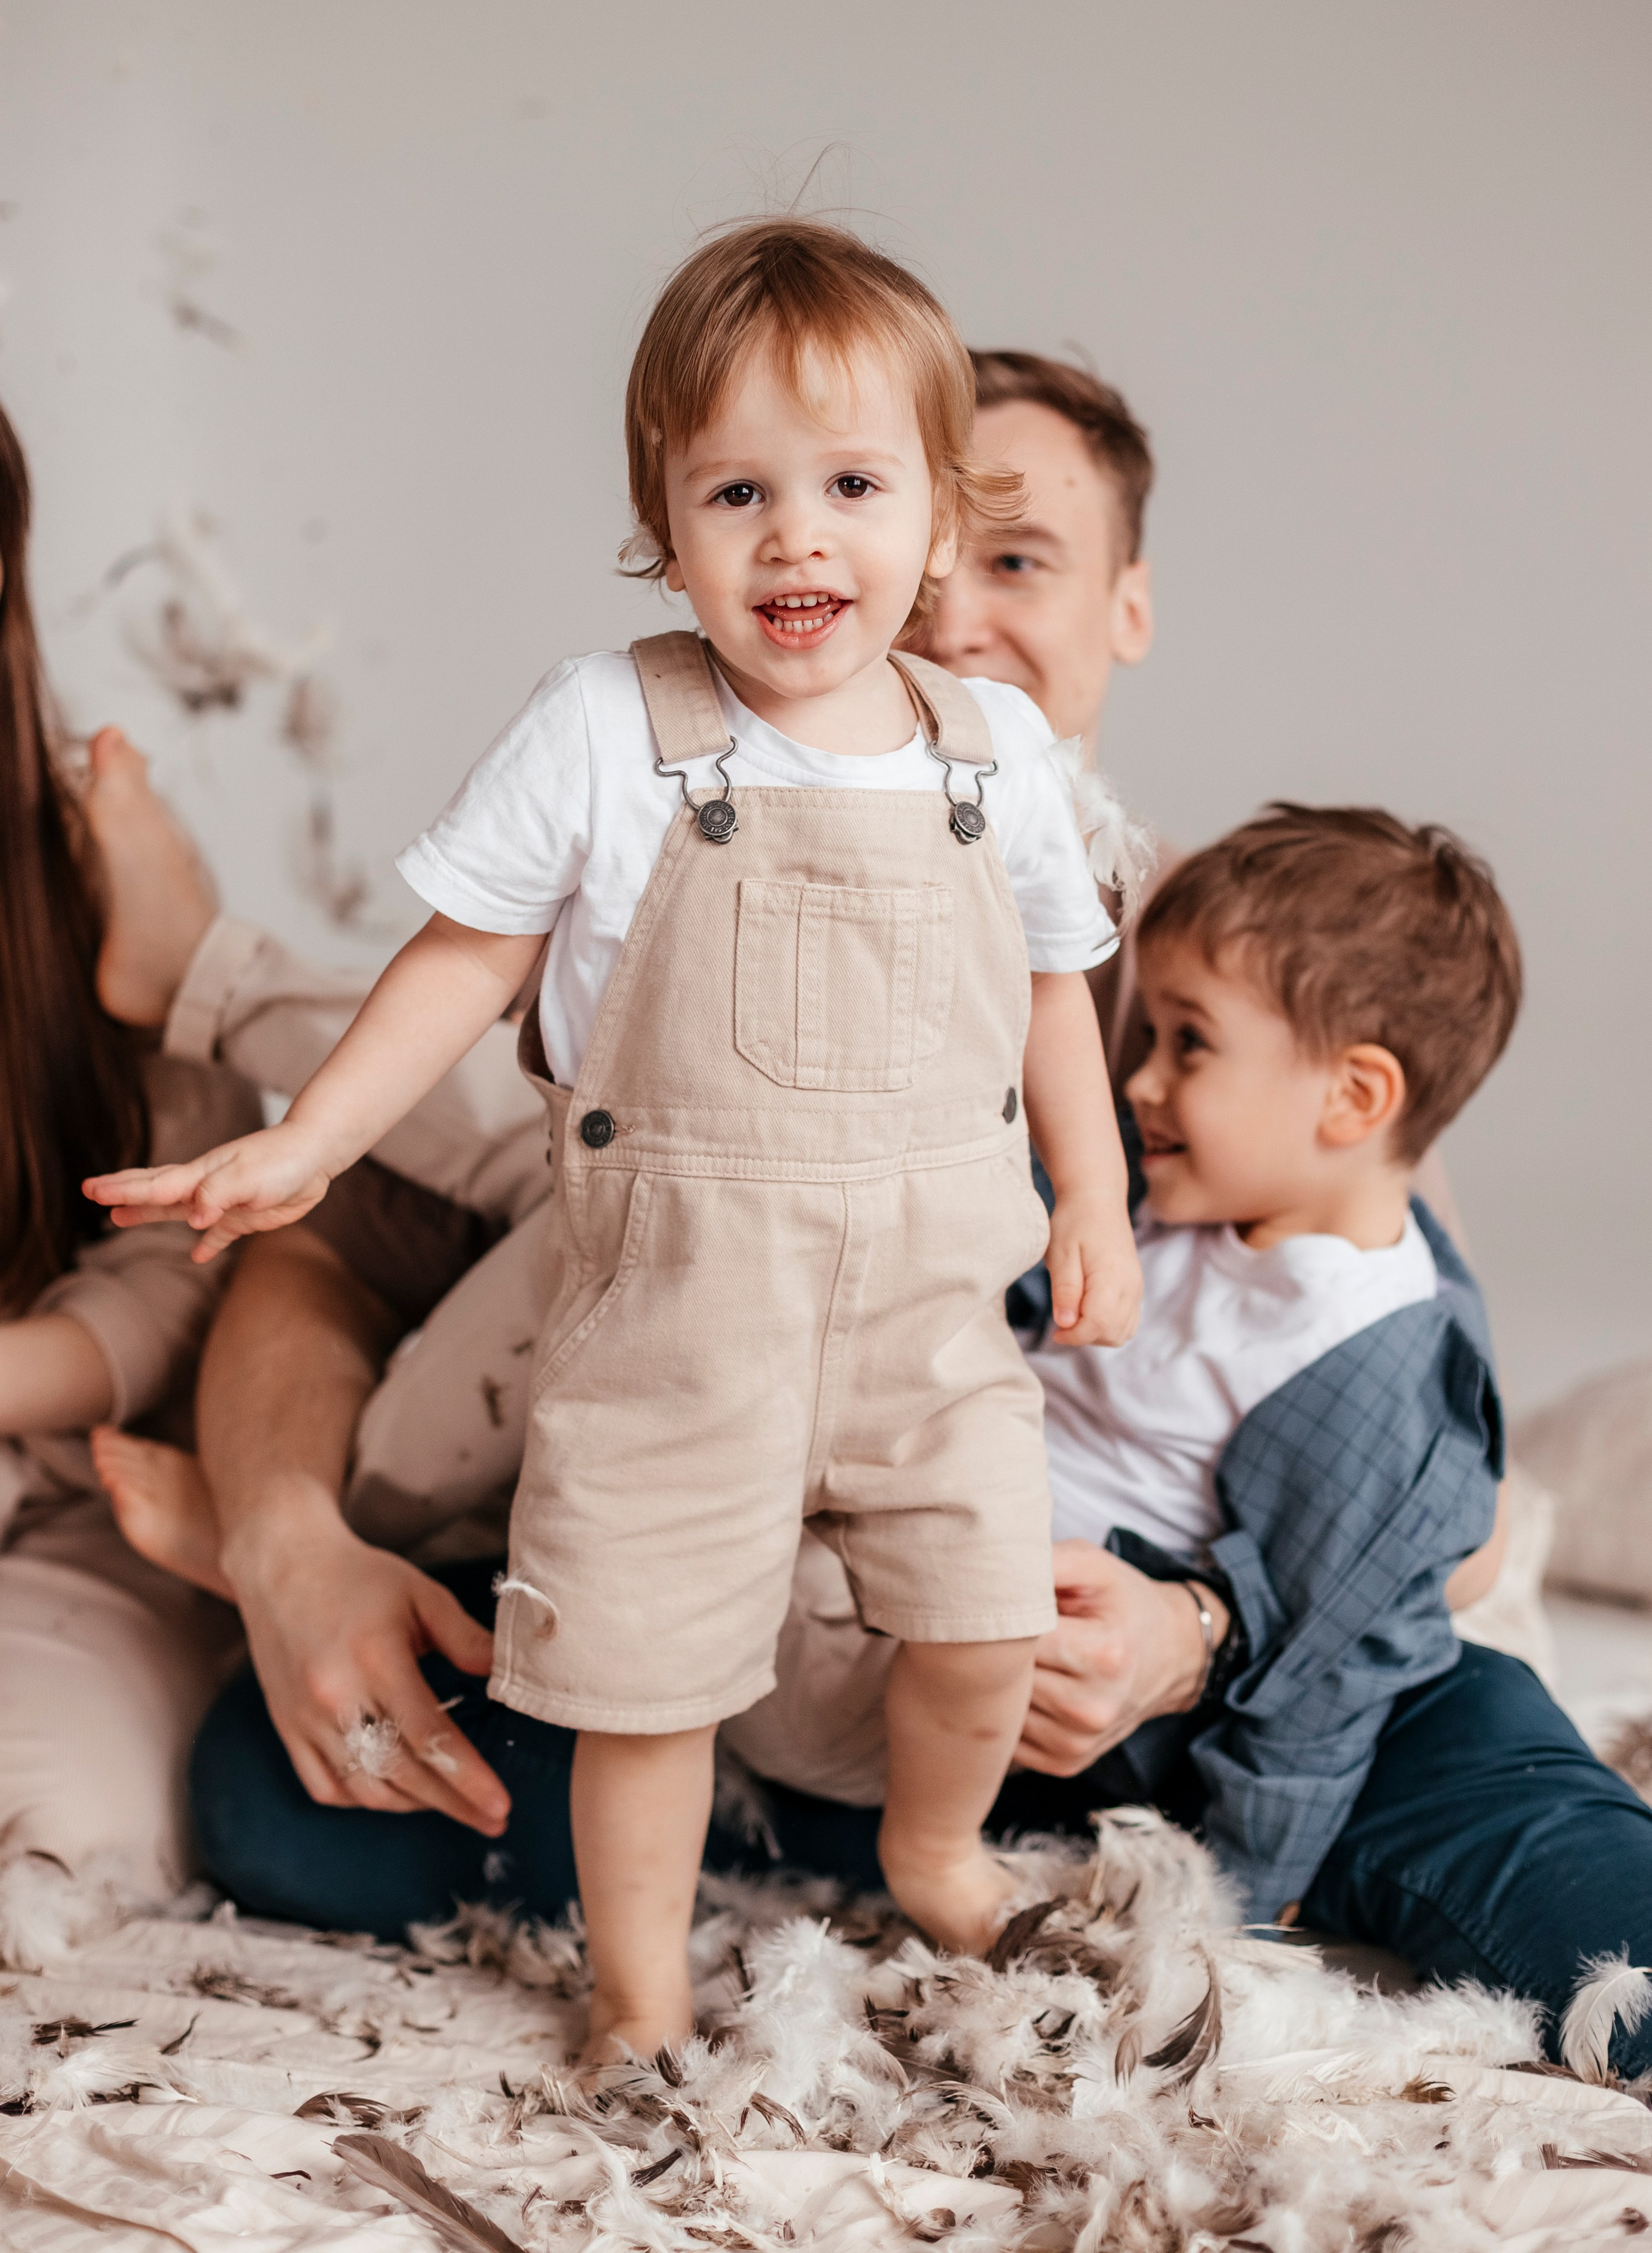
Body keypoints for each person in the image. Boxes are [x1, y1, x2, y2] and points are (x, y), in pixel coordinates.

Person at [81, 345, 1652, 2076]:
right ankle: (782, 1855)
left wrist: (1188, 1639)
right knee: (283, 1790)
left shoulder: (1261, 971)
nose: (953, 613)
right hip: (764, 1559)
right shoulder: (686, 813)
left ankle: (953, 1848)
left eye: (1020, 559)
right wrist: (287, 1531)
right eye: (897, 527)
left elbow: (1433, 1481)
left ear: (1129, 607)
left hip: (1162, 1654)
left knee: (1570, 1897)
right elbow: (353, 1219)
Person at [83, 219, 1143, 2058]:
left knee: (980, 1621)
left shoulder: (996, 759)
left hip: (930, 1321)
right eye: (738, 490)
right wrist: (315, 1142)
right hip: (674, 1318)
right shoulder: (607, 727)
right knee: (642, 1691)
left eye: (851, 486)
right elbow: (458, 963)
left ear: (934, 525)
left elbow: (1058, 992)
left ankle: (938, 1847)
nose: (797, 535)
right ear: (664, 526)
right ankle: (641, 1992)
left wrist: (1104, 1205)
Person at [732, 803, 1520, 1925]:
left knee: (702, 1588)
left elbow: (1327, 1671)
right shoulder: (1195, 1203)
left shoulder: (1370, 1354)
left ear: (1354, 1098)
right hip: (903, 1522)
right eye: (1148, 1037)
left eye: (1188, 1044)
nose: (1141, 1081)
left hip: (961, 1659)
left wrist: (1239, 1902)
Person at [0, 398, 256, 1901]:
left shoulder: (94, 849)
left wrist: (28, 1373)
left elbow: (192, 1241)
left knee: (68, 1829)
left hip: (61, 1495)